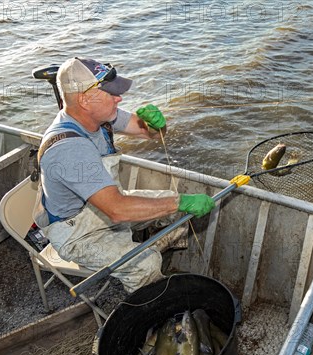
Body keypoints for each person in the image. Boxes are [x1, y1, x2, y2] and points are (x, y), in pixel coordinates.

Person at [32, 57, 215, 293]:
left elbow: (150, 135)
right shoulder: (68, 149)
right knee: (146, 264)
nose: (119, 98)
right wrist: (180, 202)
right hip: (78, 234)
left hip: (105, 207)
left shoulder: (102, 117)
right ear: (85, 99)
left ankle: (146, 251)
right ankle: (146, 299)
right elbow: (117, 210)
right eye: (111, 93)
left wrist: (157, 125)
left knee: (173, 208)